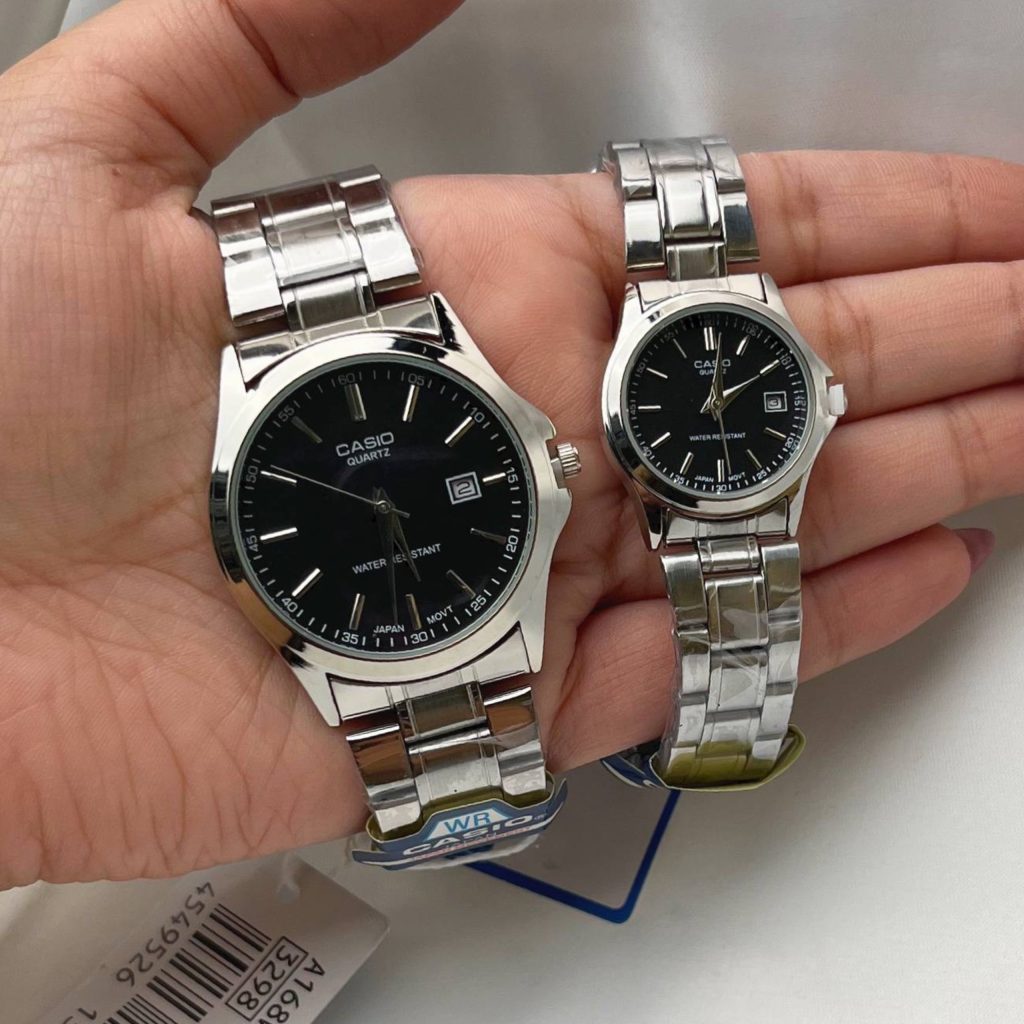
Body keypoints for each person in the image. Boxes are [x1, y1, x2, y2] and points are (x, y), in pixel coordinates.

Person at [0, 0, 1017, 890]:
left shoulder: (475, 464)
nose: (385, 501)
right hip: (364, 613)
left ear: (546, 460)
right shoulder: (262, 490)